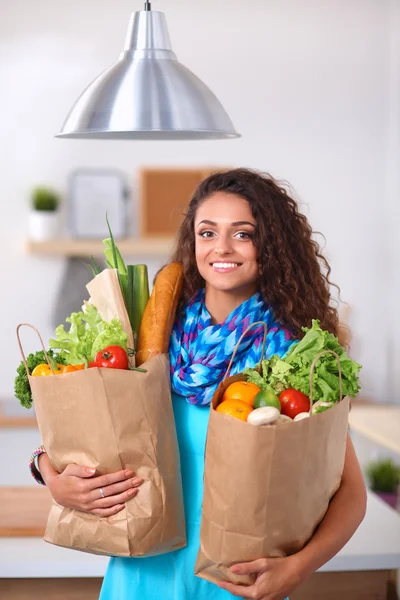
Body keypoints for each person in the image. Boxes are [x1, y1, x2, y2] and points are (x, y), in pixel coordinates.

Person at [30, 168, 367, 600]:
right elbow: (81, 436)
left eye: (243, 234)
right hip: (140, 579)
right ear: (193, 242)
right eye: (207, 233)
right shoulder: (150, 339)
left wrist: (297, 570)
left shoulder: (296, 357)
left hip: (237, 587)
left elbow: (351, 495)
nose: (221, 248)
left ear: (272, 245)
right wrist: (49, 473)